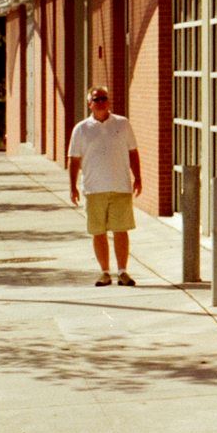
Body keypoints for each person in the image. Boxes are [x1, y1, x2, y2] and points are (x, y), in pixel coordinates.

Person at [67, 85, 144, 287]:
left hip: (120, 186)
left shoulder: (122, 124)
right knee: (98, 232)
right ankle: (104, 272)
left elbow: (133, 152)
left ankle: (123, 272)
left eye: (104, 98)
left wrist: (138, 178)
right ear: (89, 104)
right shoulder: (81, 129)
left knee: (121, 230)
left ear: (108, 101)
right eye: (96, 99)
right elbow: (74, 160)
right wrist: (73, 187)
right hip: (94, 189)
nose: (100, 102)